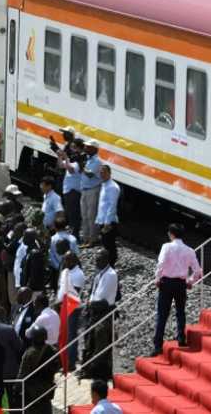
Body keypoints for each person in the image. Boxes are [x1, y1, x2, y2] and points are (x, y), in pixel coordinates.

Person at [151, 223, 202, 356]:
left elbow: (161, 263)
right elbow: (197, 270)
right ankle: (181, 338)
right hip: (181, 283)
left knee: (162, 314)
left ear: (171, 234)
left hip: (166, 282)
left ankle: (158, 345)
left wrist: (157, 279)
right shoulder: (190, 250)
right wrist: (190, 281)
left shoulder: (166, 247)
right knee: (180, 312)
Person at [82, 249, 118, 382]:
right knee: (90, 340)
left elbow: (102, 296)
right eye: (96, 258)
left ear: (106, 260)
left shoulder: (110, 274)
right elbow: (93, 293)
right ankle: (90, 368)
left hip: (103, 311)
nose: (96, 261)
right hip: (94, 311)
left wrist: (91, 303)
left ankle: (99, 372)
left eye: (99, 258)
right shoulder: (99, 274)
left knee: (101, 341)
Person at [18, 328, 58, 414]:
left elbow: (23, 373)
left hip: (32, 391)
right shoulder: (52, 351)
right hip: (47, 388)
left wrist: (17, 387)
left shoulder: (29, 353)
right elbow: (57, 367)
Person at [96, 165, 120, 266]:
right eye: (100, 172)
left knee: (109, 245)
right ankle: (107, 264)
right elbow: (102, 205)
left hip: (109, 222)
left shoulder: (112, 187)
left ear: (109, 173)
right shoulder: (105, 185)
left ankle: (111, 265)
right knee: (106, 244)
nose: (102, 174)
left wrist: (107, 223)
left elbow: (112, 205)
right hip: (103, 220)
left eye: (104, 172)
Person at [80, 140, 103, 246]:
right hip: (85, 190)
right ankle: (86, 238)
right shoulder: (88, 160)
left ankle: (92, 239)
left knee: (91, 215)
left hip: (93, 190)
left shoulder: (97, 161)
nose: (85, 148)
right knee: (84, 215)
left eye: (88, 147)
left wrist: (82, 167)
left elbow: (90, 174)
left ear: (94, 149)